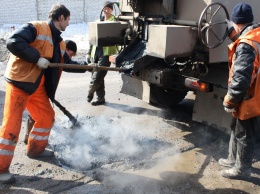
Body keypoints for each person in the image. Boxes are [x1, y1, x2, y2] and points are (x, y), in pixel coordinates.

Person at [0, 3, 71, 184]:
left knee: (47, 116)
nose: (69, 23)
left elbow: (68, 62)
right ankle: (1, 169)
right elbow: (13, 41)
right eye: (68, 19)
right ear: (61, 17)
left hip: (36, 85)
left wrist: (91, 66)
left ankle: (35, 150)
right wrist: (36, 58)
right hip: (20, 82)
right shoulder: (36, 27)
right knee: (11, 128)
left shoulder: (59, 42)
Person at [219, 2, 260, 180]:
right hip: (255, 91)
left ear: (237, 23)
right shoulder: (256, 34)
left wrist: (231, 100)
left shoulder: (246, 45)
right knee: (236, 126)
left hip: (251, 95)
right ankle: (231, 159)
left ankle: (242, 169)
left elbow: (242, 77)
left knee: (244, 132)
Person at [23, 39, 87, 145]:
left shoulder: (55, 49)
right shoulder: (59, 51)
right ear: (66, 49)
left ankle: (28, 138)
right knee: (44, 115)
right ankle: (35, 143)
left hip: (36, 84)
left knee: (35, 112)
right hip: (35, 84)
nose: (71, 57)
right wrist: (85, 66)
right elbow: (67, 64)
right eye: (71, 54)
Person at [86, 1, 118, 106]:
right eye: (105, 8)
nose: (107, 10)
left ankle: (90, 93)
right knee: (99, 77)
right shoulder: (97, 21)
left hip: (106, 53)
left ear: (112, 10)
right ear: (102, 9)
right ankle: (101, 98)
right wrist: (88, 53)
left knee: (97, 76)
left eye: (109, 8)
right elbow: (91, 39)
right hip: (96, 52)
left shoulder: (115, 21)